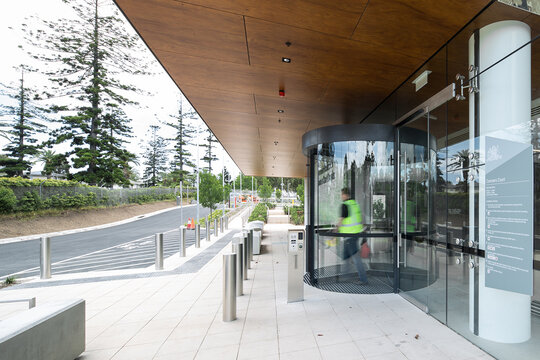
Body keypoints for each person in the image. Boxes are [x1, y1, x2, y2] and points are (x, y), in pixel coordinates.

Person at [337, 187, 368, 285]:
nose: (341, 196)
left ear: (345, 195)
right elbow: (360, 219)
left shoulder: (344, 205)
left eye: (341, 194)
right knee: (346, 256)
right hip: (355, 234)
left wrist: (334, 230)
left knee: (356, 258)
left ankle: (363, 279)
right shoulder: (355, 204)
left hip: (349, 235)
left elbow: (341, 221)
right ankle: (345, 276)